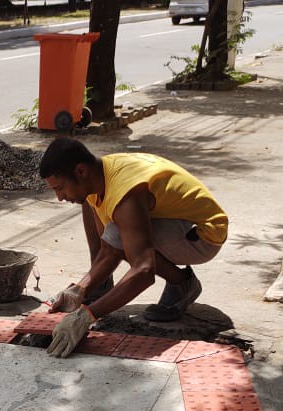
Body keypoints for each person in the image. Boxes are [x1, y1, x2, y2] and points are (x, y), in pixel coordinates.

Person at [38, 138, 229, 358]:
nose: (60, 197)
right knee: (113, 227)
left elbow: (144, 271)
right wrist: (80, 289)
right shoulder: (97, 177)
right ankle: (174, 282)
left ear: (80, 171)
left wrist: (87, 316)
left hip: (203, 235)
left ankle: (182, 284)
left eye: (60, 188)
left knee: (123, 231)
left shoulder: (125, 192)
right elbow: (108, 250)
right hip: (176, 224)